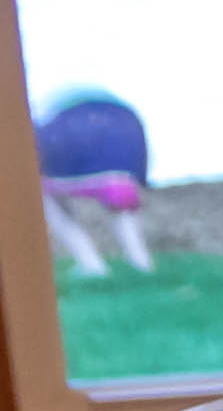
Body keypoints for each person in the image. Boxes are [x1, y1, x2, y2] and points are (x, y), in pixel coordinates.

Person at [34, 88, 153, 273]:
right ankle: (141, 261)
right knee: (121, 207)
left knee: (44, 199)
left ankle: (91, 264)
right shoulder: (120, 113)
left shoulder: (56, 109)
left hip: (68, 161)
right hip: (122, 160)